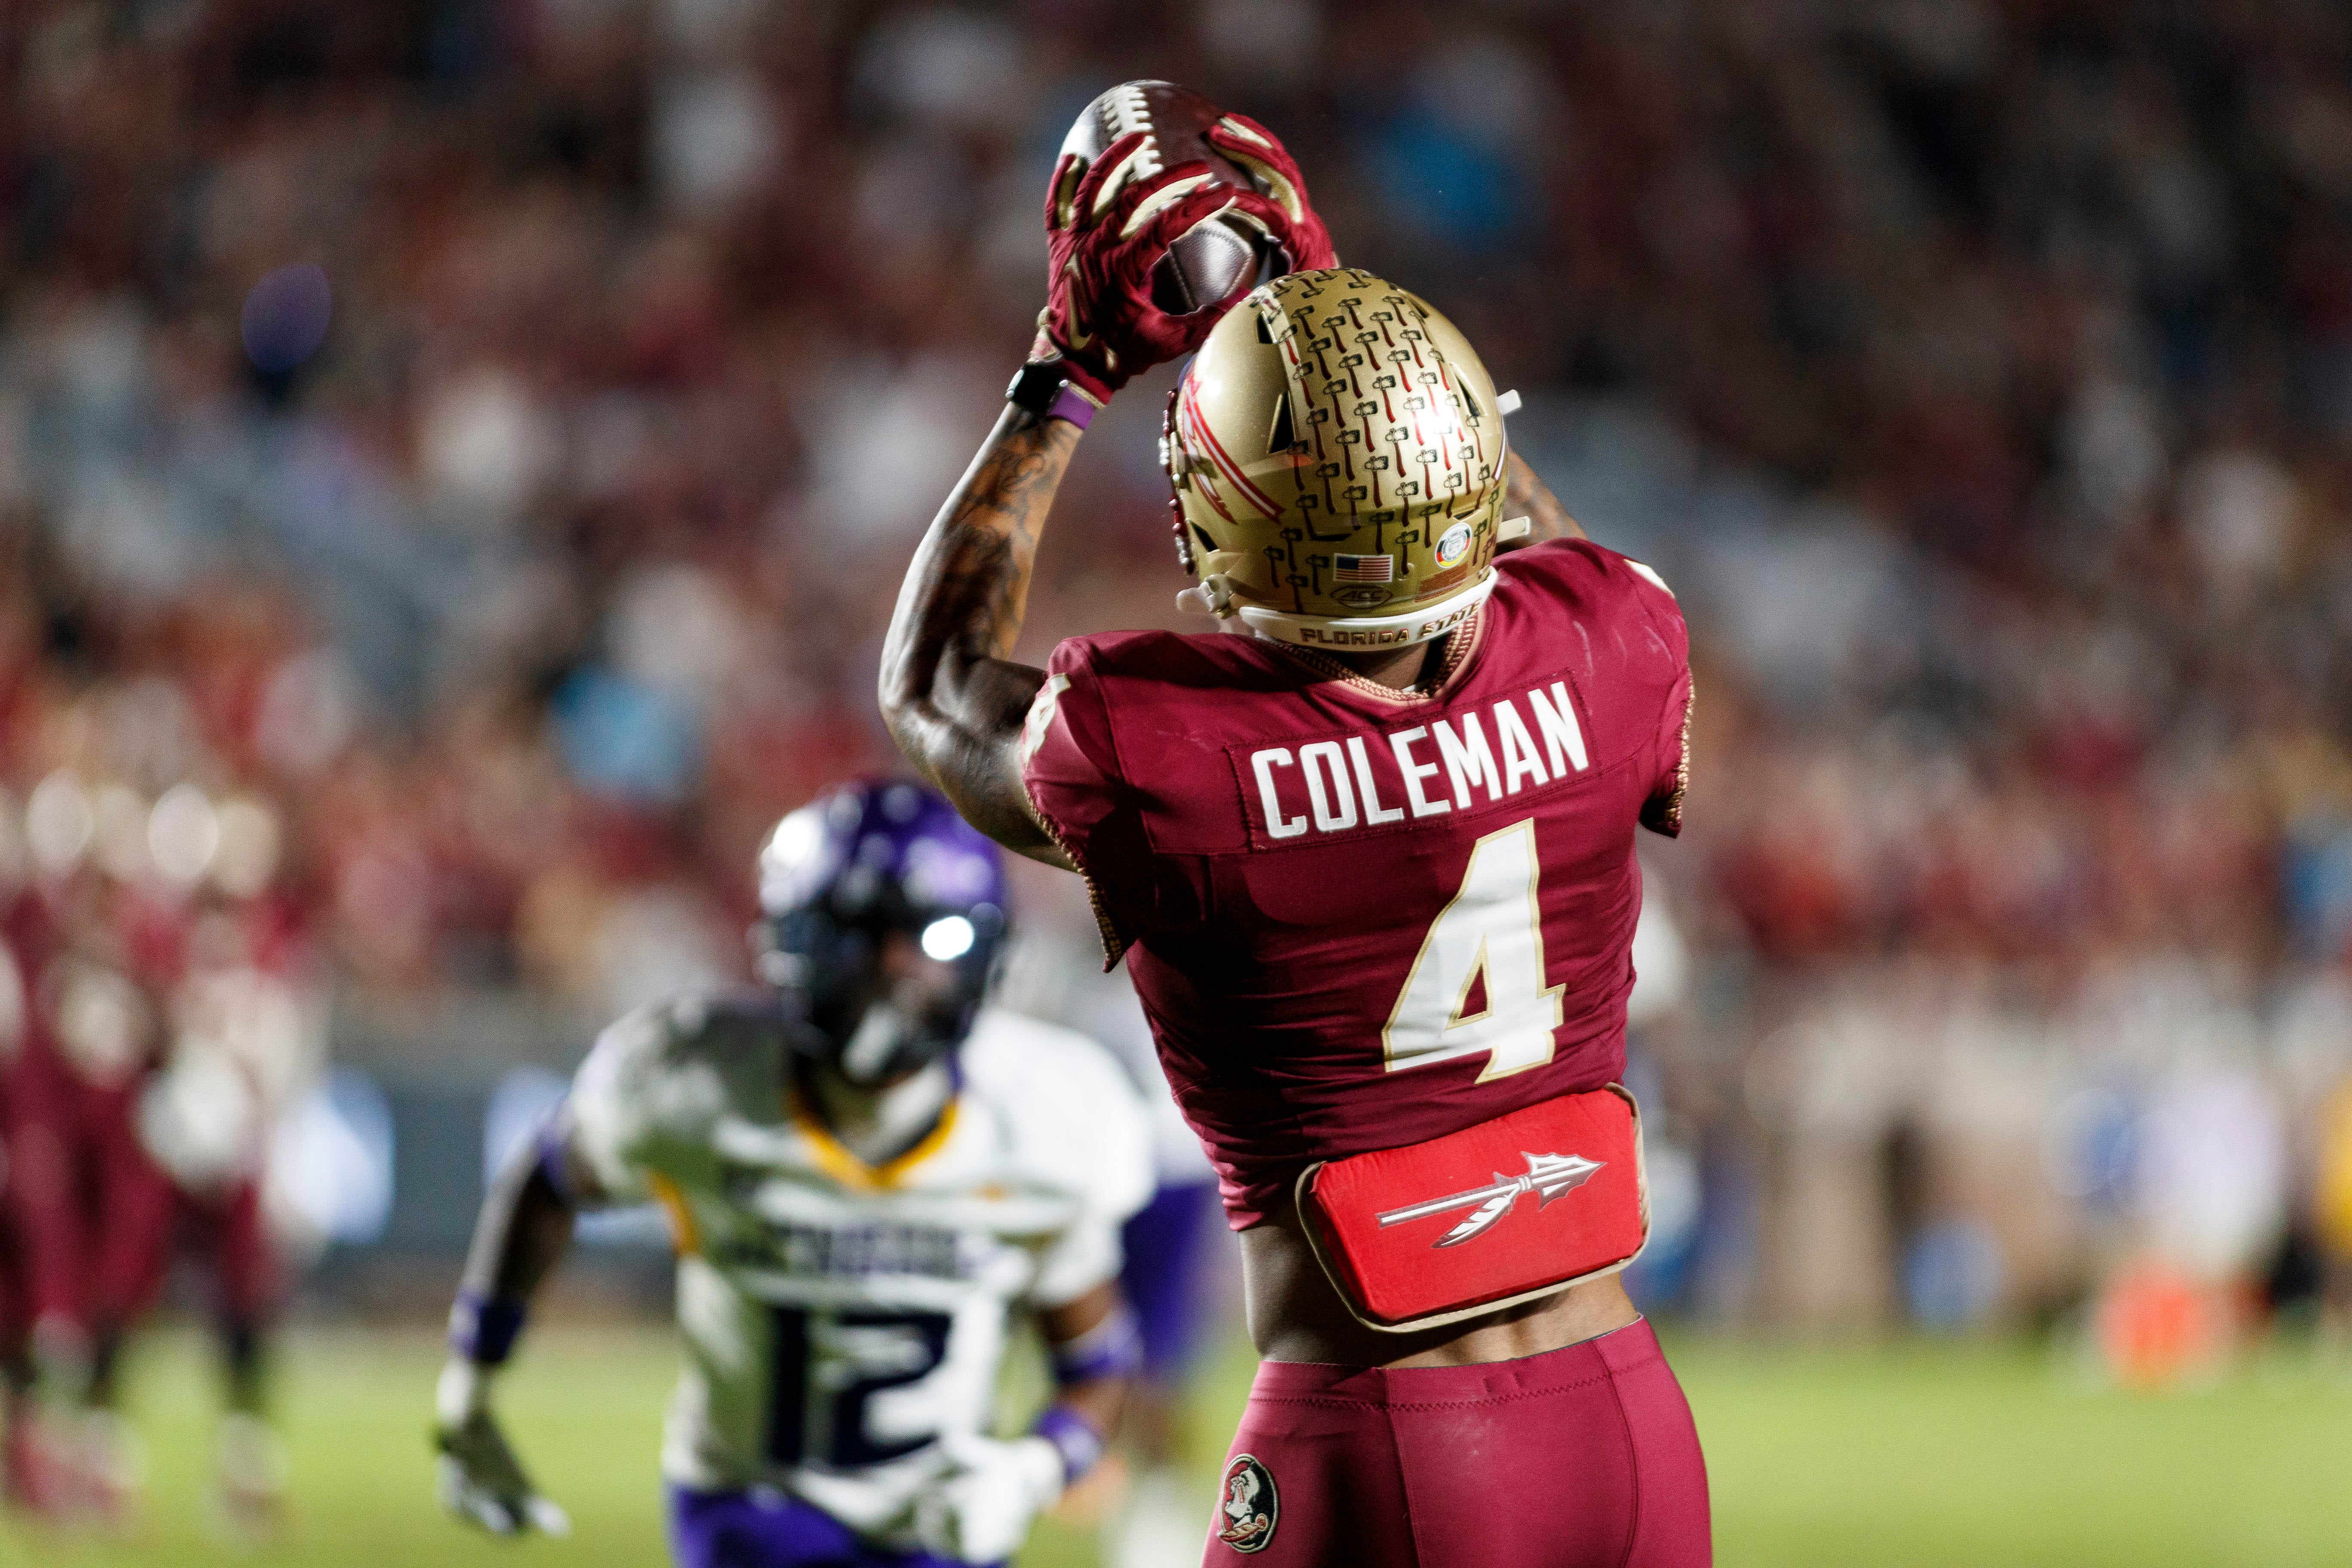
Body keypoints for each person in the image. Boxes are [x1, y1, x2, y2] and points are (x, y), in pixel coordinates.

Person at [879, 117, 1709, 1565]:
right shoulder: (1615, 645)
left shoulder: (1166, 753)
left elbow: (933, 682)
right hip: (1627, 1420)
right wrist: (1346, 329)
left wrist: (1060, 379)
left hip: (1384, 1430)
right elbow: (1540, 553)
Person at [433, 779, 1154, 1568]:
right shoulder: (695, 1081)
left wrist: (1030, 1471)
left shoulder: (1042, 1115)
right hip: (748, 1506)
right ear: (792, 941)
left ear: (986, 953)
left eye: (932, 939)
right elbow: (548, 1181)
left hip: (941, 1522)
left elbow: (1097, 1372)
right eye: (853, 936)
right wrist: (471, 1378)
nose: (892, 970)